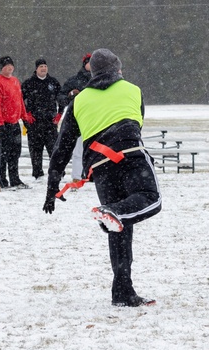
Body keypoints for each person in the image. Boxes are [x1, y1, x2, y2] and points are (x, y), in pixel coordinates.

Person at [43, 49, 161, 307]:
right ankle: (113, 211)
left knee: (118, 229)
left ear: (92, 72)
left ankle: (122, 292)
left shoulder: (79, 101)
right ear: (118, 69)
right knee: (151, 200)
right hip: (129, 155)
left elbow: (62, 147)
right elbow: (136, 125)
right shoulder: (133, 89)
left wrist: (52, 185)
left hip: (101, 168)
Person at [0, 56, 34, 191]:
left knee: (15, 152)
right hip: (2, 122)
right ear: (2, 67)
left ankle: (15, 179)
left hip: (14, 122)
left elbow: (20, 101)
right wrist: (0, 124)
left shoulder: (15, 81)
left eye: (11, 65)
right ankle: (3, 181)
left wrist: (24, 118)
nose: (9, 67)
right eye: (6, 65)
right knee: (3, 153)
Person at [22, 58, 64, 180]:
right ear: (36, 69)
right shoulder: (29, 83)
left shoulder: (53, 82)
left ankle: (57, 172)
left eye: (45, 66)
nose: (44, 68)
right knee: (35, 151)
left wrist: (59, 113)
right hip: (34, 123)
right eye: (41, 67)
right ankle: (38, 174)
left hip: (50, 123)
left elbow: (61, 99)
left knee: (54, 149)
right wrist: (26, 116)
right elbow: (19, 101)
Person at [59, 53, 93, 181]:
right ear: (85, 64)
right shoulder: (74, 81)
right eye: (90, 62)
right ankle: (77, 177)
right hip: (78, 119)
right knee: (78, 151)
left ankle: (93, 175)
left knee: (96, 149)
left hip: (96, 119)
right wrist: (70, 95)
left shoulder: (100, 80)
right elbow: (61, 98)